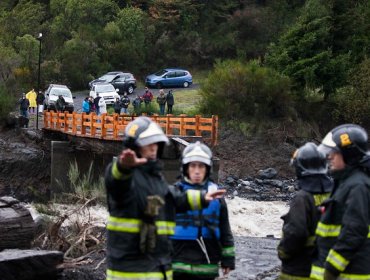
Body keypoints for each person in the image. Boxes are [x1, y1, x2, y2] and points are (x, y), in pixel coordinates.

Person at [104, 116, 225, 280]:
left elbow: (173, 198)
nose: (153, 148)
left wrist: (204, 197)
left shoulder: (155, 178)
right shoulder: (126, 177)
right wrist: (122, 167)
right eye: (148, 144)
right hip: (131, 271)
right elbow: (115, 181)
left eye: (156, 143)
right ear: (135, 147)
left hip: (157, 266)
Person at [311, 124, 370, 280]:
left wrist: (332, 268)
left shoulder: (358, 186)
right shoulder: (345, 181)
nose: (329, 156)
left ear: (348, 155)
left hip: (349, 273)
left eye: (334, 153)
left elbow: (355, 231)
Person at [171, 141, 235, 280]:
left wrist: (228, 260)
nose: (197, 171)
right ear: (186, 168)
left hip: (207, 262)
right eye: (193, 166)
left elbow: (225, 230)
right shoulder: (175, 193)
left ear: (207, 168)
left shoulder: (217, 196)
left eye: (201, 166)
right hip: (177, 262)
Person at [277, 142, 332, 280]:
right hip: (323, 265)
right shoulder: (333, 195)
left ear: (299, 168)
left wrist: (283, 252)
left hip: (297, 269)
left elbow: (296, 232)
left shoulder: (302, 198)